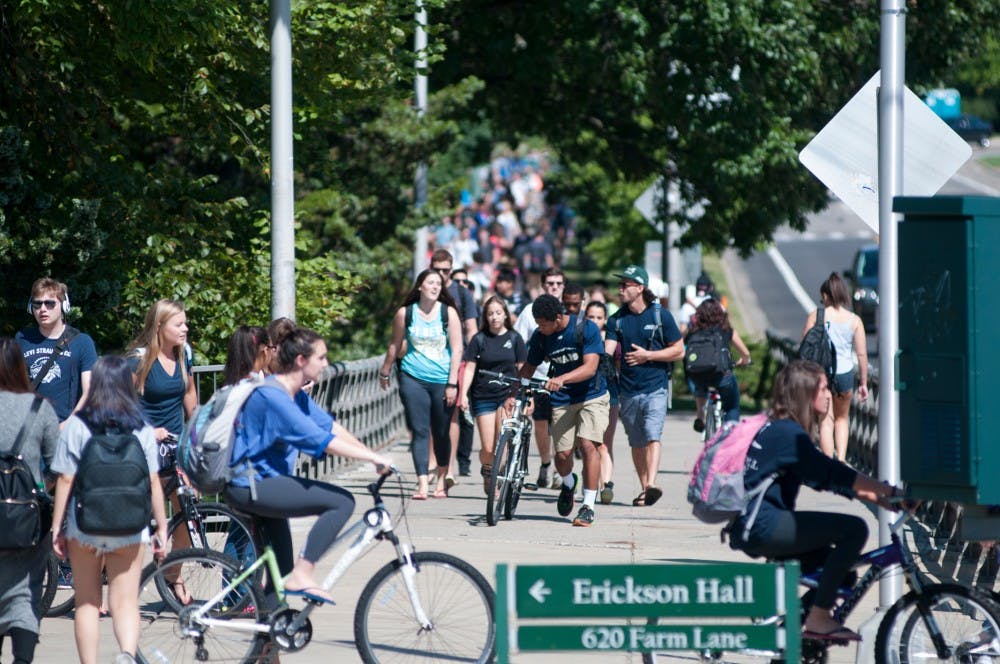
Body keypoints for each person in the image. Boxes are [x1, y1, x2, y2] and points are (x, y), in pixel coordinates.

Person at [727, 359, 900, 641]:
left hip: (752, 523)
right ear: (806, 393)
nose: (829, 394)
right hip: (763, 524)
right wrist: (887, 490)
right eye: (822, 388)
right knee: (854, 529)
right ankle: (818, 619)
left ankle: (790, 641)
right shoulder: (789, 434)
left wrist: (878, 498)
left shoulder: (780, 427)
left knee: (841, 575)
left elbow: (820, 478)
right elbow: (831, 471)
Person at [225, 326, 392, 604]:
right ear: (301, 361)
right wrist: (373, 458)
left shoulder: (294, 394)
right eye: (322, 358)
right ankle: (304, 574)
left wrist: (370, 454)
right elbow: (321, 440)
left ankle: (266, 641)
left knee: (280, 573)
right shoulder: (273, 396)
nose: (326, 364)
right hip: (250, 485)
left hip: (264, 482)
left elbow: (330, 427)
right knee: (341, 502)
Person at [50, 355, 169, 664]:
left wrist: (57, 527)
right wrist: (162, 528)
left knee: (87, 602)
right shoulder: (141, 426)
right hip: (131, 526)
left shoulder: (78, 425)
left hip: (85, 525)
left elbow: (65, 478)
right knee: (126, 601)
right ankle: (127, 655)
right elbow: (153, 481)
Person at [519, 294, 608, 527]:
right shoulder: (541, 337)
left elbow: (590, 368)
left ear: (558, 318)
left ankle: (588, 505)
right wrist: (514, 393)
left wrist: (562, 378)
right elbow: (530, 366)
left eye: (543, 324)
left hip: (593, 395)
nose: (540, 328)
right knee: (561, 457)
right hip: (562, 399)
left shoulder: (585, 328)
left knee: (589, 445)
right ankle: (569, 484)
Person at [0, 338, 59, 664]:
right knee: (25, 593)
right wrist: (39, 485)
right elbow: (59, 463)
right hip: (28, 521)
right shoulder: (40, 408)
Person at [379, 269, 463, 499]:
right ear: (420, 287)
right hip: (412, 376)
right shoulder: (405, 313)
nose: (435, 287)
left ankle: (441, 478)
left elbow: (457, 349)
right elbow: (395, 346)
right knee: (420, 430)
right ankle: (422, 483)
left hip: (442, 379)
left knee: (441, 431)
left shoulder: (449, 313)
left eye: (438, 283)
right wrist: (385, 371)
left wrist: (452, 383)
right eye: (430, 283)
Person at [605, 265, 684, 507]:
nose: (620, 289)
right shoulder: (616, 320)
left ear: (640, 288)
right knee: (636, 442)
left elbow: (679, 350)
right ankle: (645, 489)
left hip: (656, 387)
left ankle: (651, 483)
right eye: (620, 285)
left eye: (625, 285)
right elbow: (608, 351)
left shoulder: (660, 316)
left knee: (652, 435)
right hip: (627, 390)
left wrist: (648, 356)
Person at [125, 299, 197, 557]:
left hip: (175, 444)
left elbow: (188, 392)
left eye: (185, 323)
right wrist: (146, 430)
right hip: (145, 447)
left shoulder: (183, 353)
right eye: (179, 324)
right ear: (159, 326)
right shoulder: (139, 360)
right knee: (133, 521)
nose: (185, 328)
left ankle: (172, 577)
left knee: (187, 513)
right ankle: (96, 575)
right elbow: (120, 403)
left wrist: (197, 428)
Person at [459, 296, 527, 494]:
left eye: (498, 313)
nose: (494, 317)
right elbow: (470, 368)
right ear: (485, 317)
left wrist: (523, 395)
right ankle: (488, 470)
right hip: (483, 396)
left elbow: (523, 369)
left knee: (501, 442)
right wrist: (463, 394)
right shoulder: (479, 340)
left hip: (507, 396)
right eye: (490, 314)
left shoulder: (515, 339)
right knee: (488, 448)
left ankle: (498, 473)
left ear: (505, 314)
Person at [800, 273, 869, 461]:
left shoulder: (817, 316)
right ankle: (841, 461)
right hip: (845, 373)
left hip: (822, 374)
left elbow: (804, 345)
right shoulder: (854, 320)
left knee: (826, 420)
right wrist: (863, 382)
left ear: (826, 295)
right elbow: (862, 354)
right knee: (842, 419)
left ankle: (828, 462)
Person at [16, 278, 98, 423]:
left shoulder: (82, 342)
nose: (42, 309)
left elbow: (90, 392)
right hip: (28, 426)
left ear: (64, 306)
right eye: (37, 304)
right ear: (31, 307)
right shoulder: (22, 338)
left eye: (50, 303)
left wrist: (68, 426)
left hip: (65, 426)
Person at [513, 267, 565, 488]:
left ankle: (561, 471)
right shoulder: (529, 312)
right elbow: (517, 343)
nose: (554, 287)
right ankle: (546, 464)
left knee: (561, 427)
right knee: (541, 425)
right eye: (550, 283)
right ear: (543, 285)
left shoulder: (567, 312)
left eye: (558, 283)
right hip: (538, 378)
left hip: (563, 380)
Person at [430, 250, 479, 480]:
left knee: (451, 414)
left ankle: (448, 469)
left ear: (451, 269)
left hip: (456, 359)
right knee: (431, 414)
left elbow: (471, 329)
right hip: (428, 359)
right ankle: (431, 465)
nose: (441, 274)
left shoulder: (461, 293)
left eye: (445, 270)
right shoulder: (426, 288)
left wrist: (473, 359)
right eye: (437, 269)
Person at [687, 298, 752, 431]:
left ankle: (700, 415)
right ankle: (730, 431)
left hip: (698, 373)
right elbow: (745, 353)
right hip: (722, 375)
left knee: (700, 385)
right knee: (732, 406)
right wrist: (745, 361)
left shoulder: (694, 331)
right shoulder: (726, 330)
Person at [585, 301, 619, 505]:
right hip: (586, 395)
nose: (595, 321)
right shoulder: (580, 338)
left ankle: (606, 484)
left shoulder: (611, 339)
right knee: (590, 444)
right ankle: (591, 483)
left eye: (599, 317)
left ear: (605, 319)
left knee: (605, 444)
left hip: (610, 393)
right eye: (591, 317)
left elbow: (618, 366)